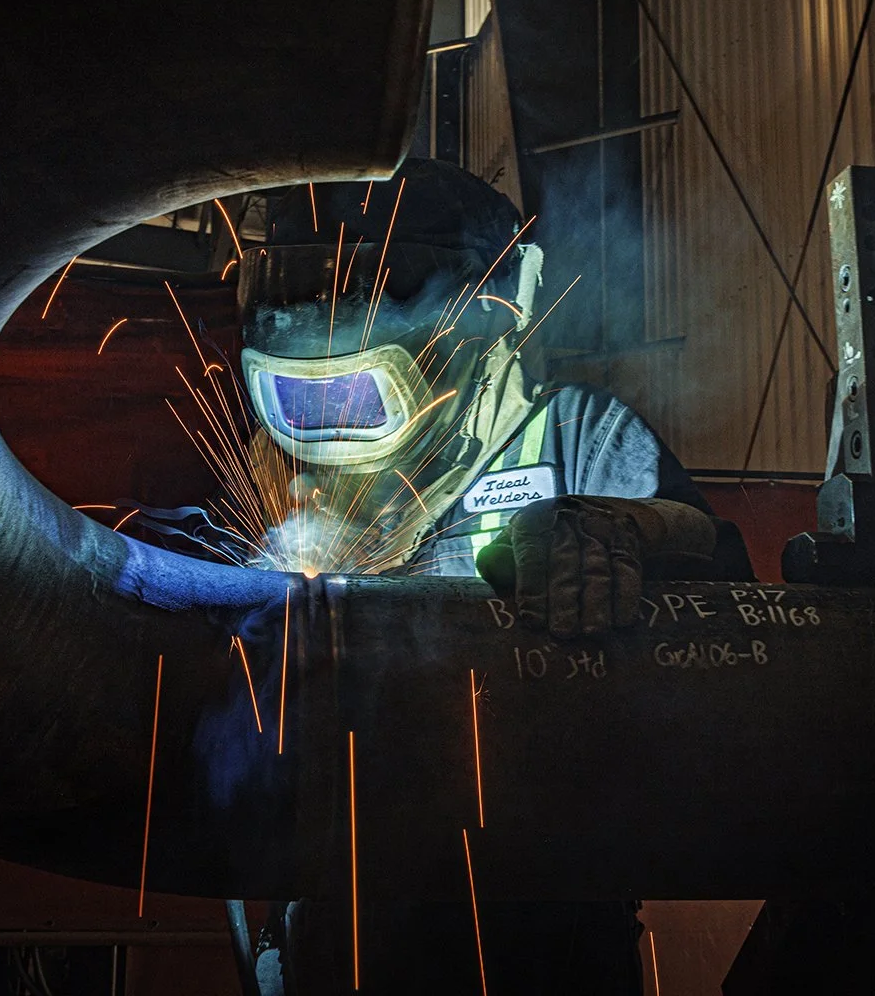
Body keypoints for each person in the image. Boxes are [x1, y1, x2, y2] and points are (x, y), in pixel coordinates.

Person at [224, 158, 754, 995]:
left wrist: (618, 526)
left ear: (492, 311)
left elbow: (721, 579)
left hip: (536, 922)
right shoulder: (272, 464)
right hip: (337, 925)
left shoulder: (574, 436)